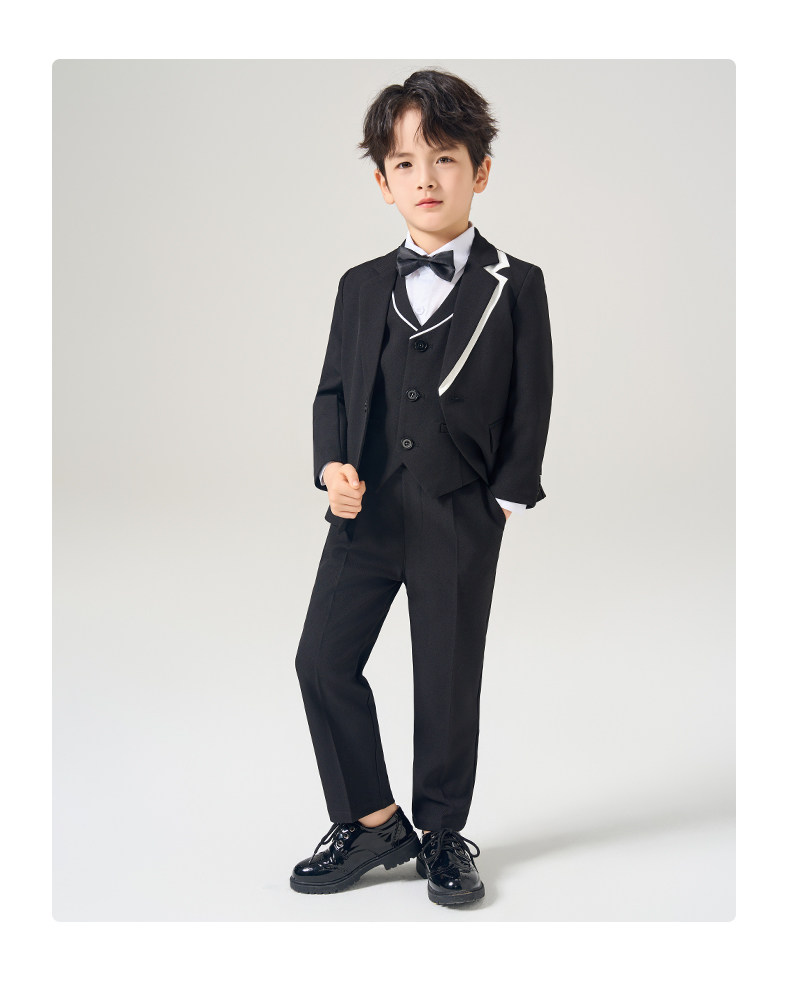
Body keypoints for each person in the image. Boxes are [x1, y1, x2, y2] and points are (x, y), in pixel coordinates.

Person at [290, 68, 553, 906]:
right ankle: (374, 823)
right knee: (322, 662)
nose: (426, 178)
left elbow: (532, 396)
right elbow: (334, 391)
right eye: (405, 163)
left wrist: (503, 500)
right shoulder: (360, 285)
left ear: (480, 171)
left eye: (445, 159)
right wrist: (331, 466)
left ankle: (442, 834)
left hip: (457, 511)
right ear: (383, 182)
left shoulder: (516, 284)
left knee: (445, 676)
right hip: (366, 511)